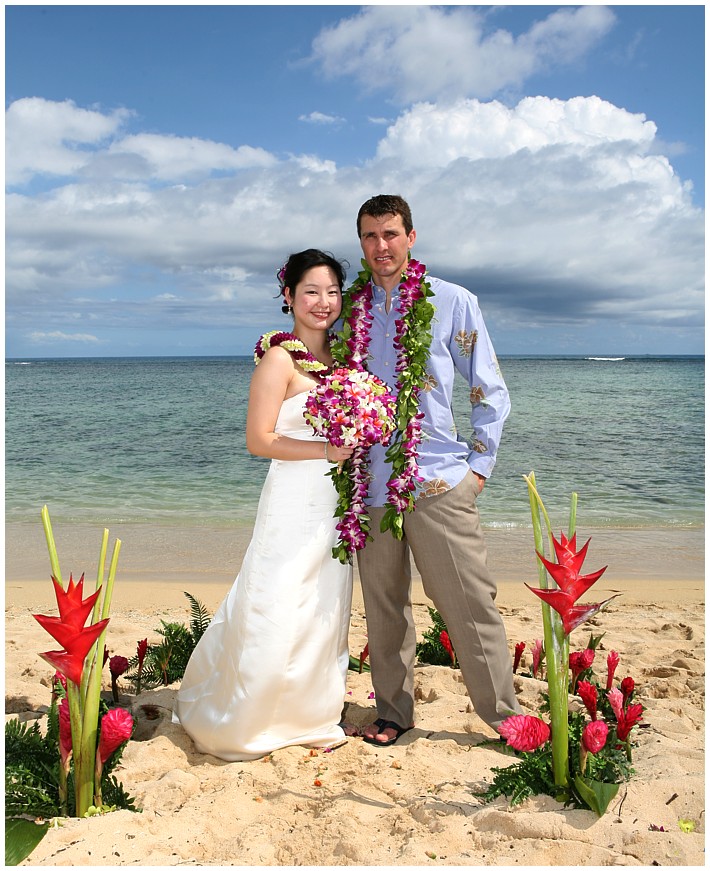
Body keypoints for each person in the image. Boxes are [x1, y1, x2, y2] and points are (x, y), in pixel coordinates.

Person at [345, 194, 523, 747]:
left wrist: (479, 469)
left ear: (411, 236)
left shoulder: (453, 301)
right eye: (371, 236)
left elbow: (488, 389)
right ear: (362, 243)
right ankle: (394, 712)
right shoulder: (351, 310)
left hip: (440, 480)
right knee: (383, 610)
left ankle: (503, 718)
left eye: (391, 233)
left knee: (470, 605)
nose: (382, 246)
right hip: (370, 485)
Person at [174, 249, 356, 761]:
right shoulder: (281, 359)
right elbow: (259, 439)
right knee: (278, 597)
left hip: (335, 502)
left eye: (332, 292)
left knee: (323, 602)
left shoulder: (341, 360)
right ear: (289, 297)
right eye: (311, 292)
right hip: (294, 499)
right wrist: (327, 450)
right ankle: (250, 718)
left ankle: (310, 714)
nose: (323, 302)